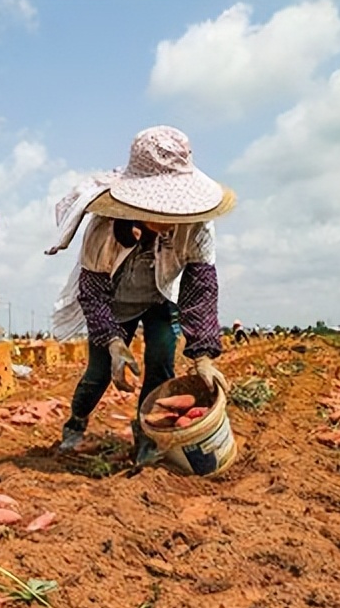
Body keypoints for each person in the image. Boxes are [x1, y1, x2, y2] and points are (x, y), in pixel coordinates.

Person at [45, 126, 234, 464]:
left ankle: (146, 439)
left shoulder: (198, 226)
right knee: (99, 373)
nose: (168, 216)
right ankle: (75, 426)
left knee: (161, 364)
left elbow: (200, 285)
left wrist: (203, 355)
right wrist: (115, 343)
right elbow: (92, 291)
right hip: (113, 306)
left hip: (160, 299)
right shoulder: (105, 229)